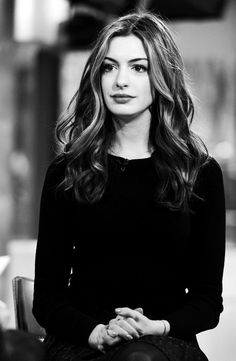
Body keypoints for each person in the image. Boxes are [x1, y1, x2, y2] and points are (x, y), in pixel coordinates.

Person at [32, 11, 226, 361]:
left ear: (162, 76)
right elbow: (47, 301)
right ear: (97, 77)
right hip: (82, 341)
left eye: (139, 67)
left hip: (165, 342)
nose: (121, 80)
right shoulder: (68, 171)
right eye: (109, 67)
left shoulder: (199, 173)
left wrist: (158, 326)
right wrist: (95, 332)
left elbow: (208, 301)